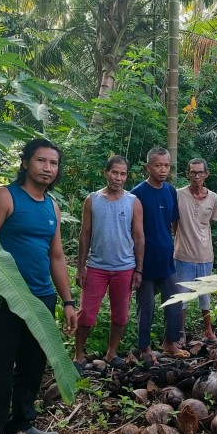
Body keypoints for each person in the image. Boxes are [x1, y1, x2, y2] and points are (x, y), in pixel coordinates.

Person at [0, 139, 78, 434]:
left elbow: (56, 256)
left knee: (32, 367)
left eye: (53, 163)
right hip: (6, 300)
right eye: (41, 160)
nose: (48, 168)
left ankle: (22, 424)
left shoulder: (52, 207)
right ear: (26, 162)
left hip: (42, 300)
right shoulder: (6, 197)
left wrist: (68, 301)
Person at [74, 156, 144, 370]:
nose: (118, 178)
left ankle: (111, 353)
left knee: (121, 315)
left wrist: (139, 270)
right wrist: (80, 267)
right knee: (86, 314)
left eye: (123, 174)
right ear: (106, 173)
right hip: (96, 267)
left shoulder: (133, 201)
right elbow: (85, 234)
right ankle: (78, 356)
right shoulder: (93, 200)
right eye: (114, 172)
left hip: (124, 268)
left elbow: (139, 237)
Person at [131, 147, 187, 364]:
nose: (163, 170)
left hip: (166, 258)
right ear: (148, 167)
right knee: (146, 306)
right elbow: (132, 230)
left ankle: (169, 342)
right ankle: (144, 347)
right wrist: (136, 264)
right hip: (145, 260)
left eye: (166, 165)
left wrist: (173, 245)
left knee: (174, 301)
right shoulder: (137, 193)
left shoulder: (170, 191)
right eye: (158, 165)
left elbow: (174, 222)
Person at [173, 158, 217, 342]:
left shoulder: (213, 198)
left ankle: (208, 331)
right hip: (183, 255)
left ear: (206, 174)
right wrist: (180, 240)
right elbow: (174, 223)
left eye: (200, 172)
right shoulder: (178, 195)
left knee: (205, 296)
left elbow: (208, 224)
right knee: (182, 297)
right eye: (193, 172)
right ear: (187, 174)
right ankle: (180, 333)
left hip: (205, 255)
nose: (197, 176)